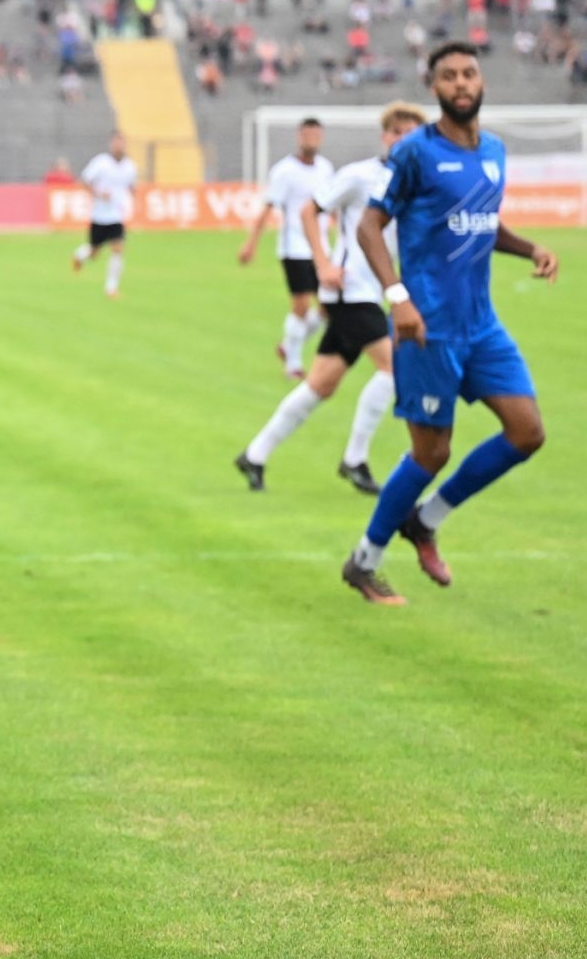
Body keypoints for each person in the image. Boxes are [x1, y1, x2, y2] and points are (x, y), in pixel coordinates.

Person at [341, 43, 559, 604]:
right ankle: (364, 562)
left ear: (481, 81)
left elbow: (482, 222)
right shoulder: (414, 152)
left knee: (527, 432)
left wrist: (530, 247)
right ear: (433, 87)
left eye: (469, 73)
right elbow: (369, 226)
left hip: (481, 326)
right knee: (431, 453)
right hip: (427, 327)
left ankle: (426, 520)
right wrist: (398, 298)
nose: (461, 83)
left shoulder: (494, 151)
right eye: (449, 76)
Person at [236, 102, 428, 494]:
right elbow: (309, 211)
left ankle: (254, 455)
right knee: (395, 368)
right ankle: (355, 459)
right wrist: (323, 263)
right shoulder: (359, 175)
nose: (403, 140)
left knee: (320, 384)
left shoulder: (417, 183)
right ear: (385, 136)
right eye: (397, 132)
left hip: (372, 293)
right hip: (349, 290)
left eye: (412, 134)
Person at [239, 118, 334, 379]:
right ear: (299, 137)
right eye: (307, 135)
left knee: (329, 308)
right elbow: (268, 207)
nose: (311, 140)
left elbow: (331, 205)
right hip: (295, 247)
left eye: (316, 135)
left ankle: (288, 344)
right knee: (301, 305)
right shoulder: (284, 171)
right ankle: (293, 364)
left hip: (321, 247)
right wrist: (251, 243)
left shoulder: (326, 168)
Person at [72, 132, 138, 296]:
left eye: (121, 142)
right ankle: (79, 255)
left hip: (116, 216)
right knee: (94, 252)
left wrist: (131, 198)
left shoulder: (130, 166)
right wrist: (99, 194)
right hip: (99, 215)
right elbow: (84, 180)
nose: (118, 145)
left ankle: (111, 288)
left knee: (118, 248)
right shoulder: (101, 162)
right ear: (111, 144)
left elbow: (131, 187)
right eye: (116, 142)